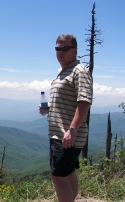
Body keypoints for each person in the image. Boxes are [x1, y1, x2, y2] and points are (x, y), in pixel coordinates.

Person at [39, 34, 93, 202]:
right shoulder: (62, 72)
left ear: (74, 51)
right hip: (59, 133)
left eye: (65, 48)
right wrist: (48, 108)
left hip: (66, 135)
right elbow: (66, 101)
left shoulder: (79, 71)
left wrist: (72, 130)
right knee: (68, 172)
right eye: (57, 48)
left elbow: (84, 101)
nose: (60, 52)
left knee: (58, 176)